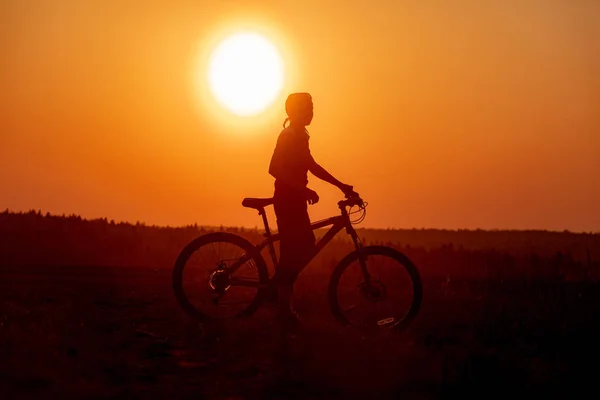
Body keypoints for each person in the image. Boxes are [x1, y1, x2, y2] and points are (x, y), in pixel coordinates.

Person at [268, 92, 355, 332]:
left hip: (294, 200)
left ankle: (280, 293)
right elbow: (274, 168)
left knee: (304, 246)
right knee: (297, 249)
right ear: (295, 112)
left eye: (312, 107)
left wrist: (341, 186)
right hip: (287, 200)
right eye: (307, 108)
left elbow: (311, 166)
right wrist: (302, 189)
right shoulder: (288, 135)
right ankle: (283, 308)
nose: (312, 112)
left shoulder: (301, 136)